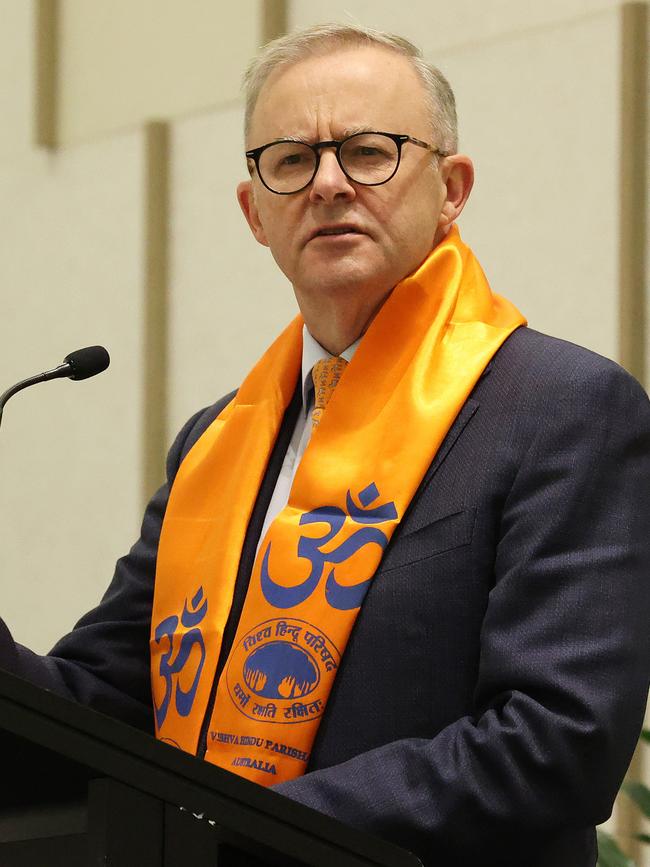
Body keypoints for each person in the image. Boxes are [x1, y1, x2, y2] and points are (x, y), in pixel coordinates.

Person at [1, 23, 649, 867]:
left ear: (452, 187)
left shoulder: (561, 411)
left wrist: (228, 822)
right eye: (291, 160)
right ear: (254, 212)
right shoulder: (218, 442)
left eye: (369, 151)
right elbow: (97, 706)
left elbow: (556, 743)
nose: (330, 184)